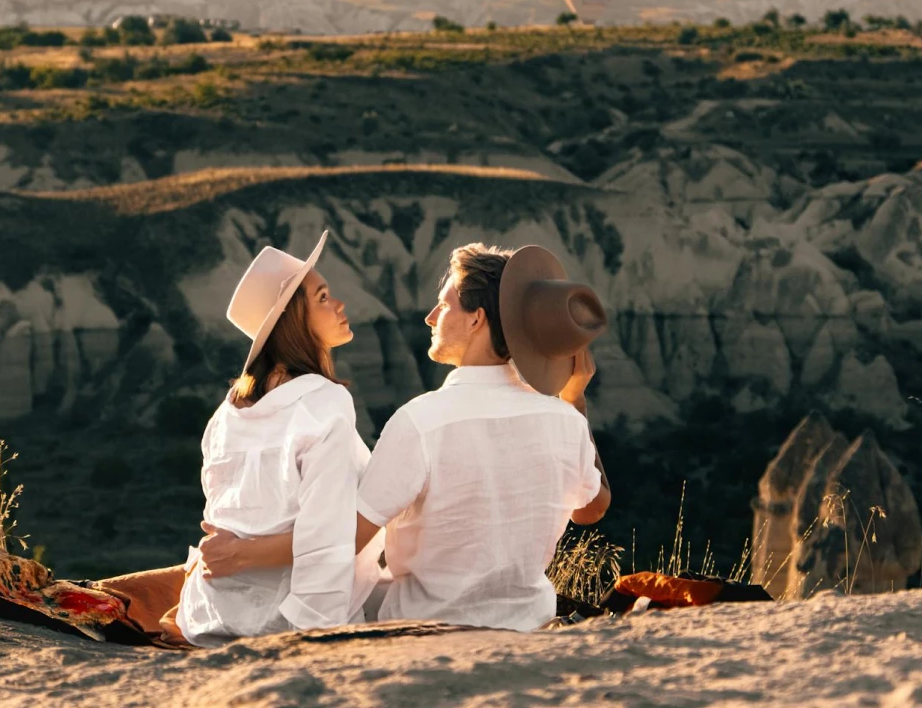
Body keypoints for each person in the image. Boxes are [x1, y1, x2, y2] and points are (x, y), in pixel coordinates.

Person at [99, 230, 382, 644]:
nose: (339, 304)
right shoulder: (325, 402)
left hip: (213, 611)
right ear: (292, 320)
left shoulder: (227, 413)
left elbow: (229, 526)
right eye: (322, 297)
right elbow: (325, 535)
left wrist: (243, 556)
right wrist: (316, 632)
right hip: (286, 616)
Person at [351, 242, 610, 630]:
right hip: (528, 629)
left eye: (445, 304)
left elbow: (345, 541)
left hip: (425, 635)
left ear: (476, 320)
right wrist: (575, 400)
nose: (430, 316)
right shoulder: (564, 420)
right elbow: (592, 509)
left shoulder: (420, 422)